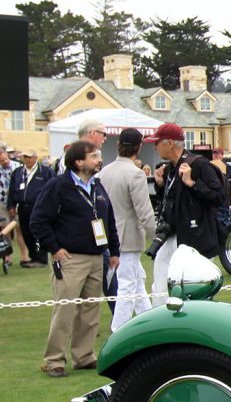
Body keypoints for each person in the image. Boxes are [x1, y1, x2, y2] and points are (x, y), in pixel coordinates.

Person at [30, 141, 120, 377]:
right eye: (94, 156)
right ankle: (54, 360)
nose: (99, 159)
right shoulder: (58, 187)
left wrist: (115, 251)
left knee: (90, 310)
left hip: (96, 257)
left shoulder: (98, 186)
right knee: (65, 309)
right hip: (70, 258)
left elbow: (108, 221)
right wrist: (55, 249)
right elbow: (38, 221)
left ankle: (84, 356)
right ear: (79, 162)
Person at [148, 122, 226, 305]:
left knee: (194, 293)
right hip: (171, 236)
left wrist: (192, 183)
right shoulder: (170, 168)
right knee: (160, 287)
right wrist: (160, 186)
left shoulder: (199, 165)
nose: (154, 147)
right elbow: (173, 201)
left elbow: (219, 197)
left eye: (157, 142)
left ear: (169, 143)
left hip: (195, 240)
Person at [96, 128, 158, 331]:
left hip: (108, 235)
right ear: (139, 147)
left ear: (118, 146)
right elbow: (144, 211)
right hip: (127, 236)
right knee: (128, 285)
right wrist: (157, 237)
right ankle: (118, 330)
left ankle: (149, 323)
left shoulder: (104, 172)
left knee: (137, 279)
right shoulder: (135, 174)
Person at [10, 149, 55, 267]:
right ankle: (34, 257)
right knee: (26, 233)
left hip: (39, 207)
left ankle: (41, 258)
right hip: (23, 207)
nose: (27, 159)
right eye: (25, 157)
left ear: (35, 157)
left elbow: (53, 189)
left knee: (37, 232)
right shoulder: (18, 172)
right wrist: (11, 205)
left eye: (29, 157)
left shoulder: (45, 172)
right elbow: (12, 190)